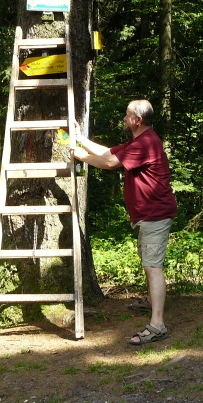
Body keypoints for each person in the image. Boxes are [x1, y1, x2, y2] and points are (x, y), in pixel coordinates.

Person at [71, 99, 178, 345]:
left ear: (137, 119)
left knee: (153, 266)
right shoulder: (139, 140)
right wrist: (79, 139)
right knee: (148, 262)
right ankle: (151, 301)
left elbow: (109, 163)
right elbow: (108, 152)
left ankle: (158, 325)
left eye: (127, 114)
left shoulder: (146, 142)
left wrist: (80, 155)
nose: (124, 118)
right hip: (148, 215)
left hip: (155, 214)